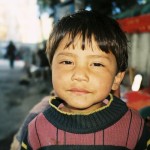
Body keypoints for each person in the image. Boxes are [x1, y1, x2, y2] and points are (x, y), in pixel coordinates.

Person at [21, 10, 150, 150]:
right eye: (67, 62)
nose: (80, 75)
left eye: (96, 64)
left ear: (117, 78)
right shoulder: (36, 131)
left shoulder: (134, 128)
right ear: (52, 68)